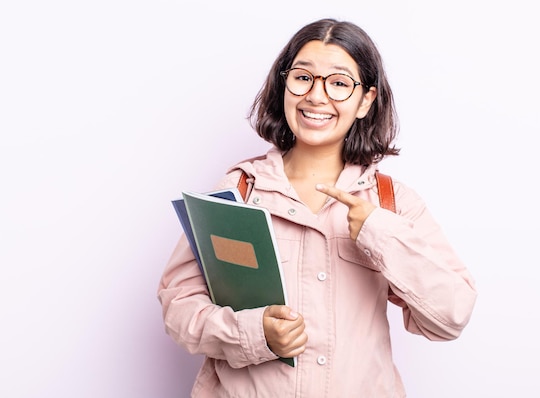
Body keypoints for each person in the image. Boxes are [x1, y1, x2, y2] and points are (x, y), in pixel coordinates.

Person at [158, 18, 477, 397]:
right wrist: (255, 334)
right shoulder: (239, 191)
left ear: (366, 101)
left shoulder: (393, 204)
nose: (316, 96)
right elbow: (179, 307)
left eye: (340, 83)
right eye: (303, 77)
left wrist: (380, 233)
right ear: (284, 86)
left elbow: (450, 316)